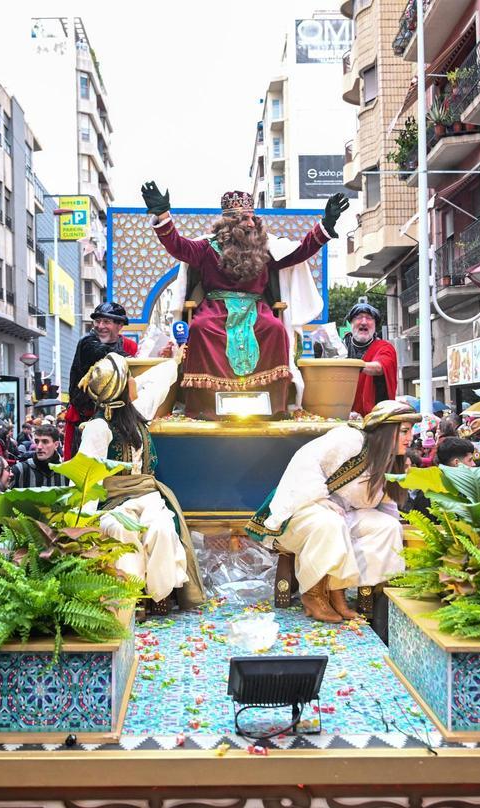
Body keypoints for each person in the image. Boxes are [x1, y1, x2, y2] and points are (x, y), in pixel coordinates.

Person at [142, 182, 345, 417]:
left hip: (256, 308)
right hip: (215, 308)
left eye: (252, 218)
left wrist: (326, 224)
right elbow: (177, 246)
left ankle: (273, 404)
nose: (251, 223)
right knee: (200, 327)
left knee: (275, 328)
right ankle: (206, 406)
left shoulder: (266, 248)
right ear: (228, 224)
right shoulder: (207, 248)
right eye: (244, 219)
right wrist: (162, 214)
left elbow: (299, 252)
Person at [246, 400, 418, 623]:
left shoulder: (390, 462)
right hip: (300, 509)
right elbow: (305, 460)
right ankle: (313, 594)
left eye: (411, 430)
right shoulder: (351, 438)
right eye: (404, 430)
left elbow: (387, 506)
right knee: (330, 522)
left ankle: (345, 592)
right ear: (386, 430)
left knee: (387, 527)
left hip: (341, 515)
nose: (410, 436)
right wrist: (320, 498)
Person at [76, 354, 204, 609]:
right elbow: (85, 478)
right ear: (122, 388)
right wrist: (80, 524)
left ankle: (161, 594)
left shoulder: (138, 411)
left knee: (162, 529)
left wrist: (176, 358)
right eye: (130, 378)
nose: (137, 381)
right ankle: (130, 596)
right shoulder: (98, 428)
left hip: (147, 495)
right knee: (121, 530)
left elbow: (156, 381)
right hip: (112, 500)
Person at [64, 302, 139, 458]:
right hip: (86, 414)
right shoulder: (87, 343)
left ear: (120, 325)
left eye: (106, 322)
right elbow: (109, 355)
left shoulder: (130, 346)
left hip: (120, 415)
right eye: (97, 321)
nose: (100, 326)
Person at [343, 300, 396, 417]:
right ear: (351, 323)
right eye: (358, 317)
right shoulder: (341, 347)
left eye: (369, 318)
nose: (363, 322)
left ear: (375, 325)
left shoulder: (384, 347)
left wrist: (352, 365)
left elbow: (380, 367)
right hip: (342, 416)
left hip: (375, 418)